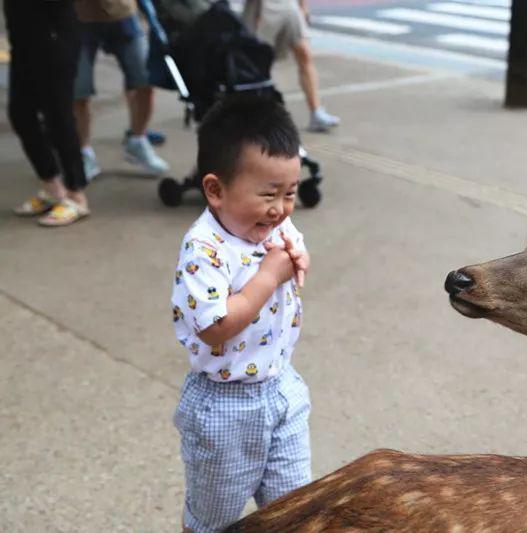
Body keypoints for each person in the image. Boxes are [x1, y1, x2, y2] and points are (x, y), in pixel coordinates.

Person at [171, 93, 312, 532]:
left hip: (282, 389)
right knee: (214, 520)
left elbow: (291, 240)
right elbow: (214, 327)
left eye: (290, 193)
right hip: (224, 408)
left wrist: (298, 254)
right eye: (269, 195)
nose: (281, 209)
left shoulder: (272, 221)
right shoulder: (204, 249)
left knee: (298, 511)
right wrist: (269, 277)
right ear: (215, 189)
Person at [6, 0, 91, 226]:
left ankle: (76, 195)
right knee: (21, 114)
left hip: (54, 37)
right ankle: (52, 187)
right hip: (22, 37)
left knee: (58, 117)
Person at [73, 0, 170, 179]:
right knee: (79, 92)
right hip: (79, 18)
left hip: (123, 13)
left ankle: (137, 140)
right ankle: (84, 152)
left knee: (145, 79)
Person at [242, 0, 340, 132]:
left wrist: (303, 6)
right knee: (258, 62)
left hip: (289, 5)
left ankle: (316, 113)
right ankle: (254, 117)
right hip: (263, 7)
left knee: (304, 54)